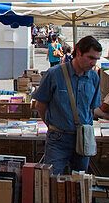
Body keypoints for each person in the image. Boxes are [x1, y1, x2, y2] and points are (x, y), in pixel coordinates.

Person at [34, 35, 102, 175]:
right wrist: (53, 126)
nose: (93, 63)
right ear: (78, 53)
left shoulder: (93, 77)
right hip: (58, 139)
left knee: (80, 182)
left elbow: (92, 108)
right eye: (90, 58)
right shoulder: (54, 74)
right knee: (52, 179)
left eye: (96, 59)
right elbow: (40, 105)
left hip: (83, 138)